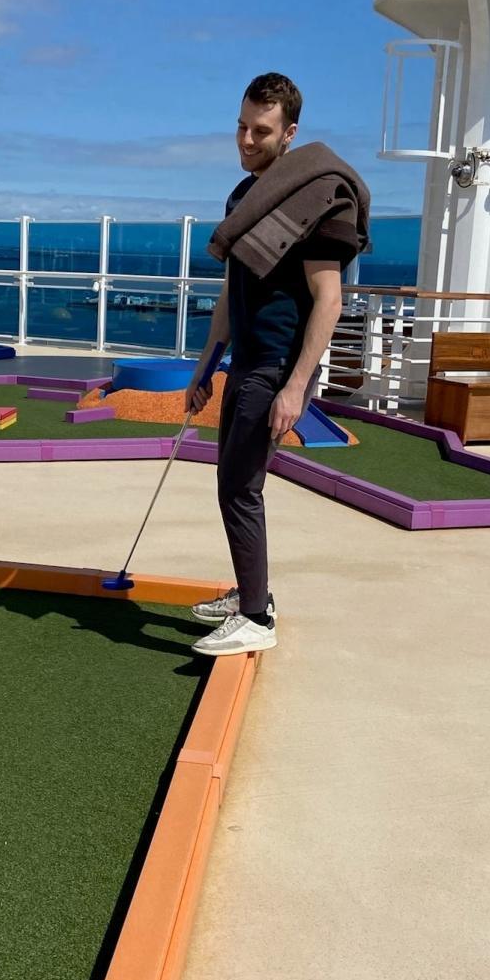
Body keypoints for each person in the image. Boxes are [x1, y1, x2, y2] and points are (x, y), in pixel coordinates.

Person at [185, 72, 370, 656]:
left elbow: (329, 299)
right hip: (243, 361)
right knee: (231, 485)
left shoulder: (316, 199)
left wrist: (297, 388)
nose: (245, 139)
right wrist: (204, 366)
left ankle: (256, 619)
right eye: (241, 126)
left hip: (276, 367)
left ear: (289, 133)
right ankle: (251, 593)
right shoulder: (244, 199)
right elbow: (228, 294)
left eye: (260, 131)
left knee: (241, 489)